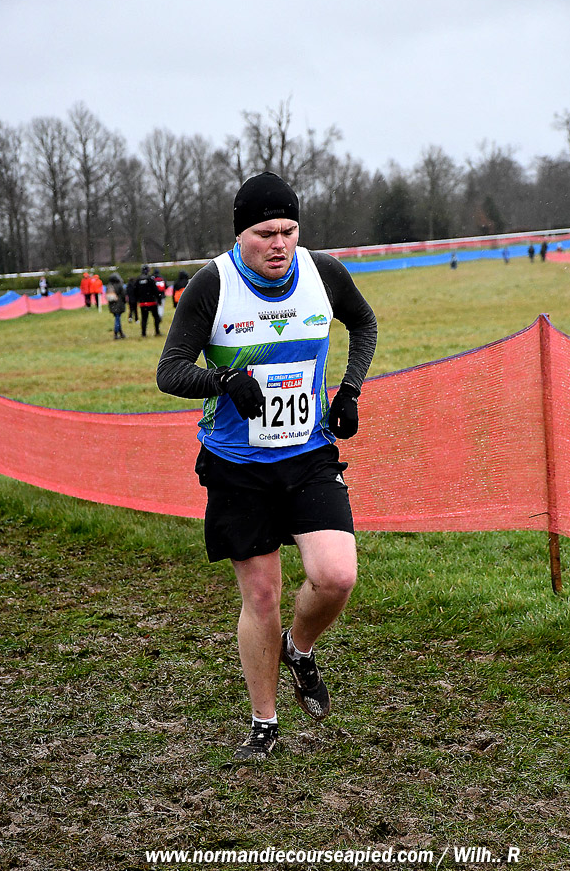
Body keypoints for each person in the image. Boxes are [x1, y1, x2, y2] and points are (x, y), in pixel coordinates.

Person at [157, 172, 377, 762]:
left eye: (288, 230)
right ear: (240, 235)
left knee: (337, 576)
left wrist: (350, 389)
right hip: (238, 465)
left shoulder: (323, 272)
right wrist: (224, 380)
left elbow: (364, 323)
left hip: (308, 454)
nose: (278, 244)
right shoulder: (213, 284)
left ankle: (298, 649)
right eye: (264, 233)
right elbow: (170, 370)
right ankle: (264, 723)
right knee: (262, 595)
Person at [136, 265, 162, 336]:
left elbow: (135, 291)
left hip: (143, 303)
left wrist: (138, 299)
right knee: (156, 317)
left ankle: (143, 333)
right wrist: (159, 299)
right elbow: (156, 290)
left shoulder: (138, 279)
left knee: (144, 318)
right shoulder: (150, 279)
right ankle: (157, 331)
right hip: (152, 302)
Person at [106, 271, 126, 339]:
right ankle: (116, 333)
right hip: (119, 304)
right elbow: (123, 294)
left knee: (117, 318)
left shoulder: (109, 286)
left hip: (112, 305)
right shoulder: (119, 285)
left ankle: (121, 333)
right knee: (117, 319)